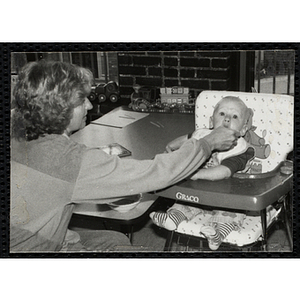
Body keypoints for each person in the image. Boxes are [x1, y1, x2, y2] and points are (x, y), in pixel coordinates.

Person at [10, 60, 240, 252]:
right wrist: (207, 142)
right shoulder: (67, 160)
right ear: (59, 108)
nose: (90, 106)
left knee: (116, 241)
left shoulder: (17, 129)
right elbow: (156, 173)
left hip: (37, 239)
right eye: (82, 101)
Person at [150, 96, 255, 250]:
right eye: (222, 114)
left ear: (243, 129)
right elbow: (189, 139)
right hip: (200, 194)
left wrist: (196, 174)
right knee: (184, 202)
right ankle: (172, 218)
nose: (227, 119)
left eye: (234, 116)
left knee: (229, 214)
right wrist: (172, 145)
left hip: (230, 198)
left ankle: (217, 234)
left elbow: (224, 171)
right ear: (211, 122)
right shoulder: (203, 134)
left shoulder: (241, 149)